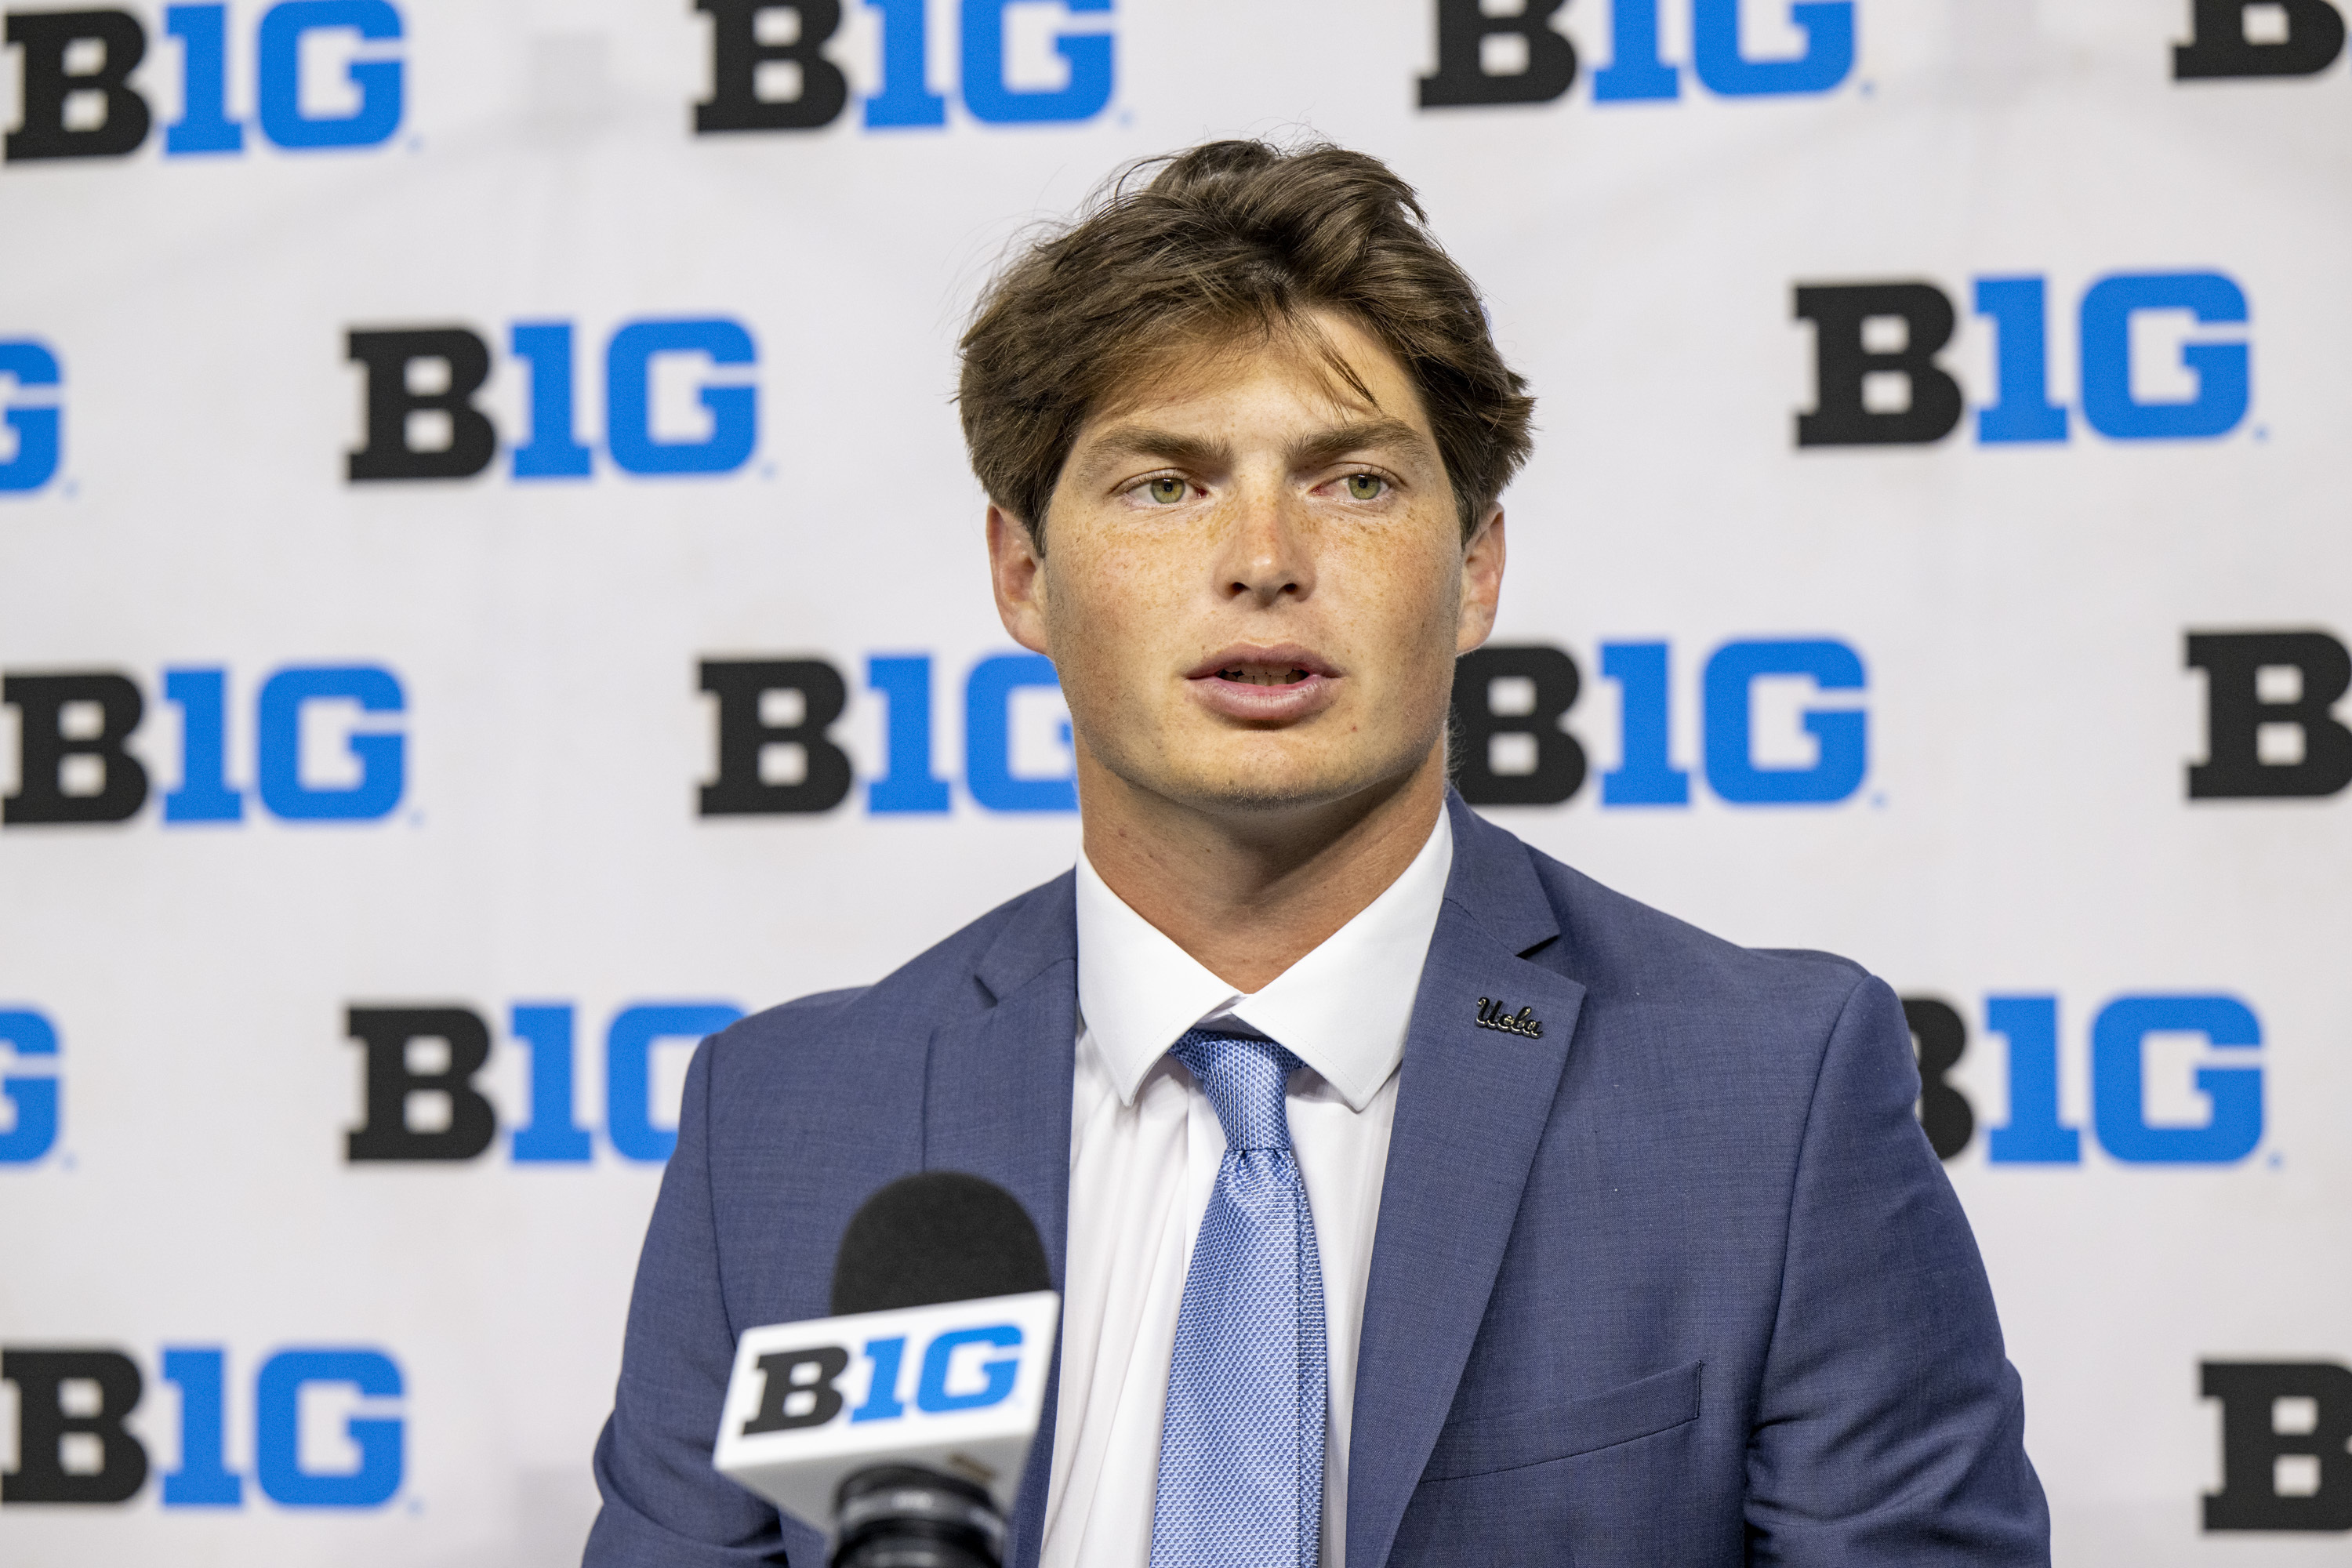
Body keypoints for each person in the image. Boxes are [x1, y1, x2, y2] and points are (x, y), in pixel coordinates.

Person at [584, 139, 2049, 1567]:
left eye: (1354, 482)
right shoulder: (784, 1127)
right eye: (1166, 483)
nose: (1265, 554)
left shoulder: (1765, 1098)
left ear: (1475, 570)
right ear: (1023, 575)